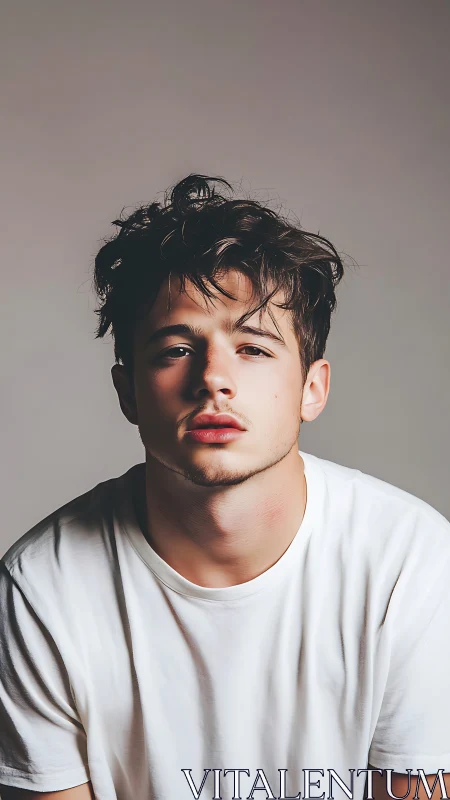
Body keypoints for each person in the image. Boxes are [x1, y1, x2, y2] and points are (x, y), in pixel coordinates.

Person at [0, 175, 449, 800]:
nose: (214, 379)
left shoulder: (414, 562)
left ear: (312, 388)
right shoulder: (43, 587)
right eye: (176, 349)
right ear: (127, 391)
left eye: (254, 348)